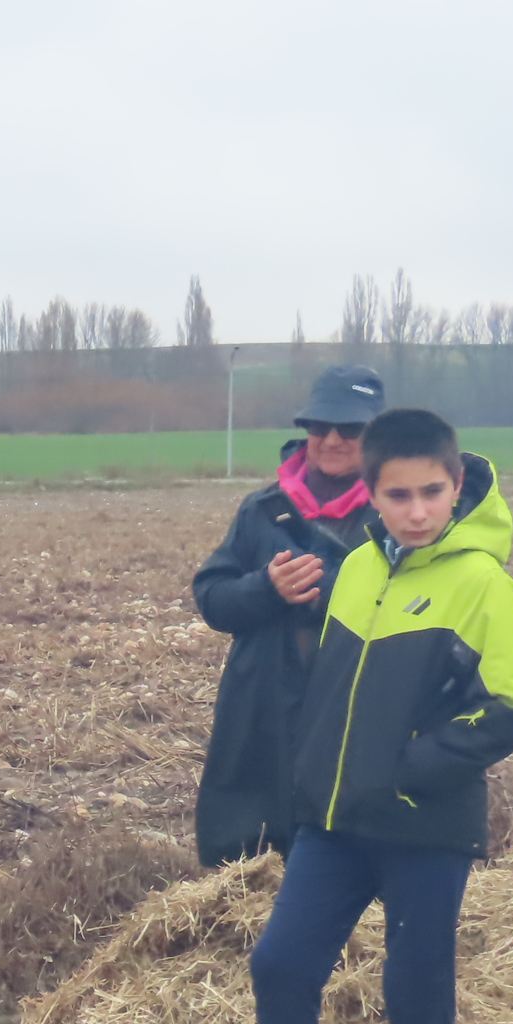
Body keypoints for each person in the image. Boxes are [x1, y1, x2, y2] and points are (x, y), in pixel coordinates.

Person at [187, 409, 513, 1024]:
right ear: (371, 495)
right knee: (281, 964)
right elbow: (326, 691)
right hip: (335, 824)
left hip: (423, 827)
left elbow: (504, 711)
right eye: (399, 494)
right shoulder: (358, 572)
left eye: (432, 493)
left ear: (456, 489)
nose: (417, 509)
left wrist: (405, 770)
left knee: (413, 987)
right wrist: (313, 776)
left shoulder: (484, 583)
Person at [191, 364, 385, 865]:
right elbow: (213, 597)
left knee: (334, 840)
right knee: (240, 847)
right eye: (321, 427)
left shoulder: (395, 517)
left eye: (351, 429)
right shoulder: (262, 510)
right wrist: (266, 588)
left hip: (350, 704)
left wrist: (332, 592)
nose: (333, 439)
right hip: (260, 703)